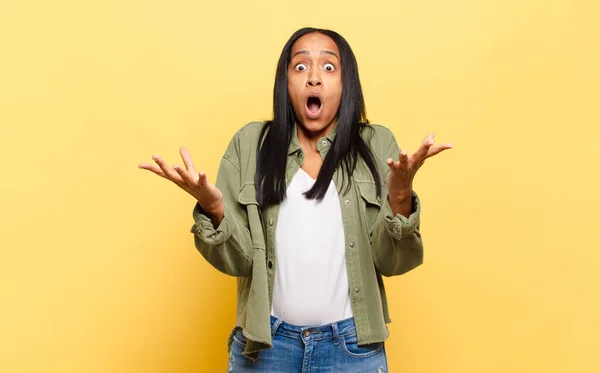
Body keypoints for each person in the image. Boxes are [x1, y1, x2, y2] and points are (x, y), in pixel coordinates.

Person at [139, 27, 452, 373]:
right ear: (284, 81)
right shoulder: (251, 145)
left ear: (347, 84)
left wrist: (401, 194)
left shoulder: (376, 145)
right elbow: (240, 263)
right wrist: (214, 209)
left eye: (329, 67)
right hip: (266, 348)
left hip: (351, 350)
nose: (314, 78)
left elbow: (392, 262)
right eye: (300, 67)